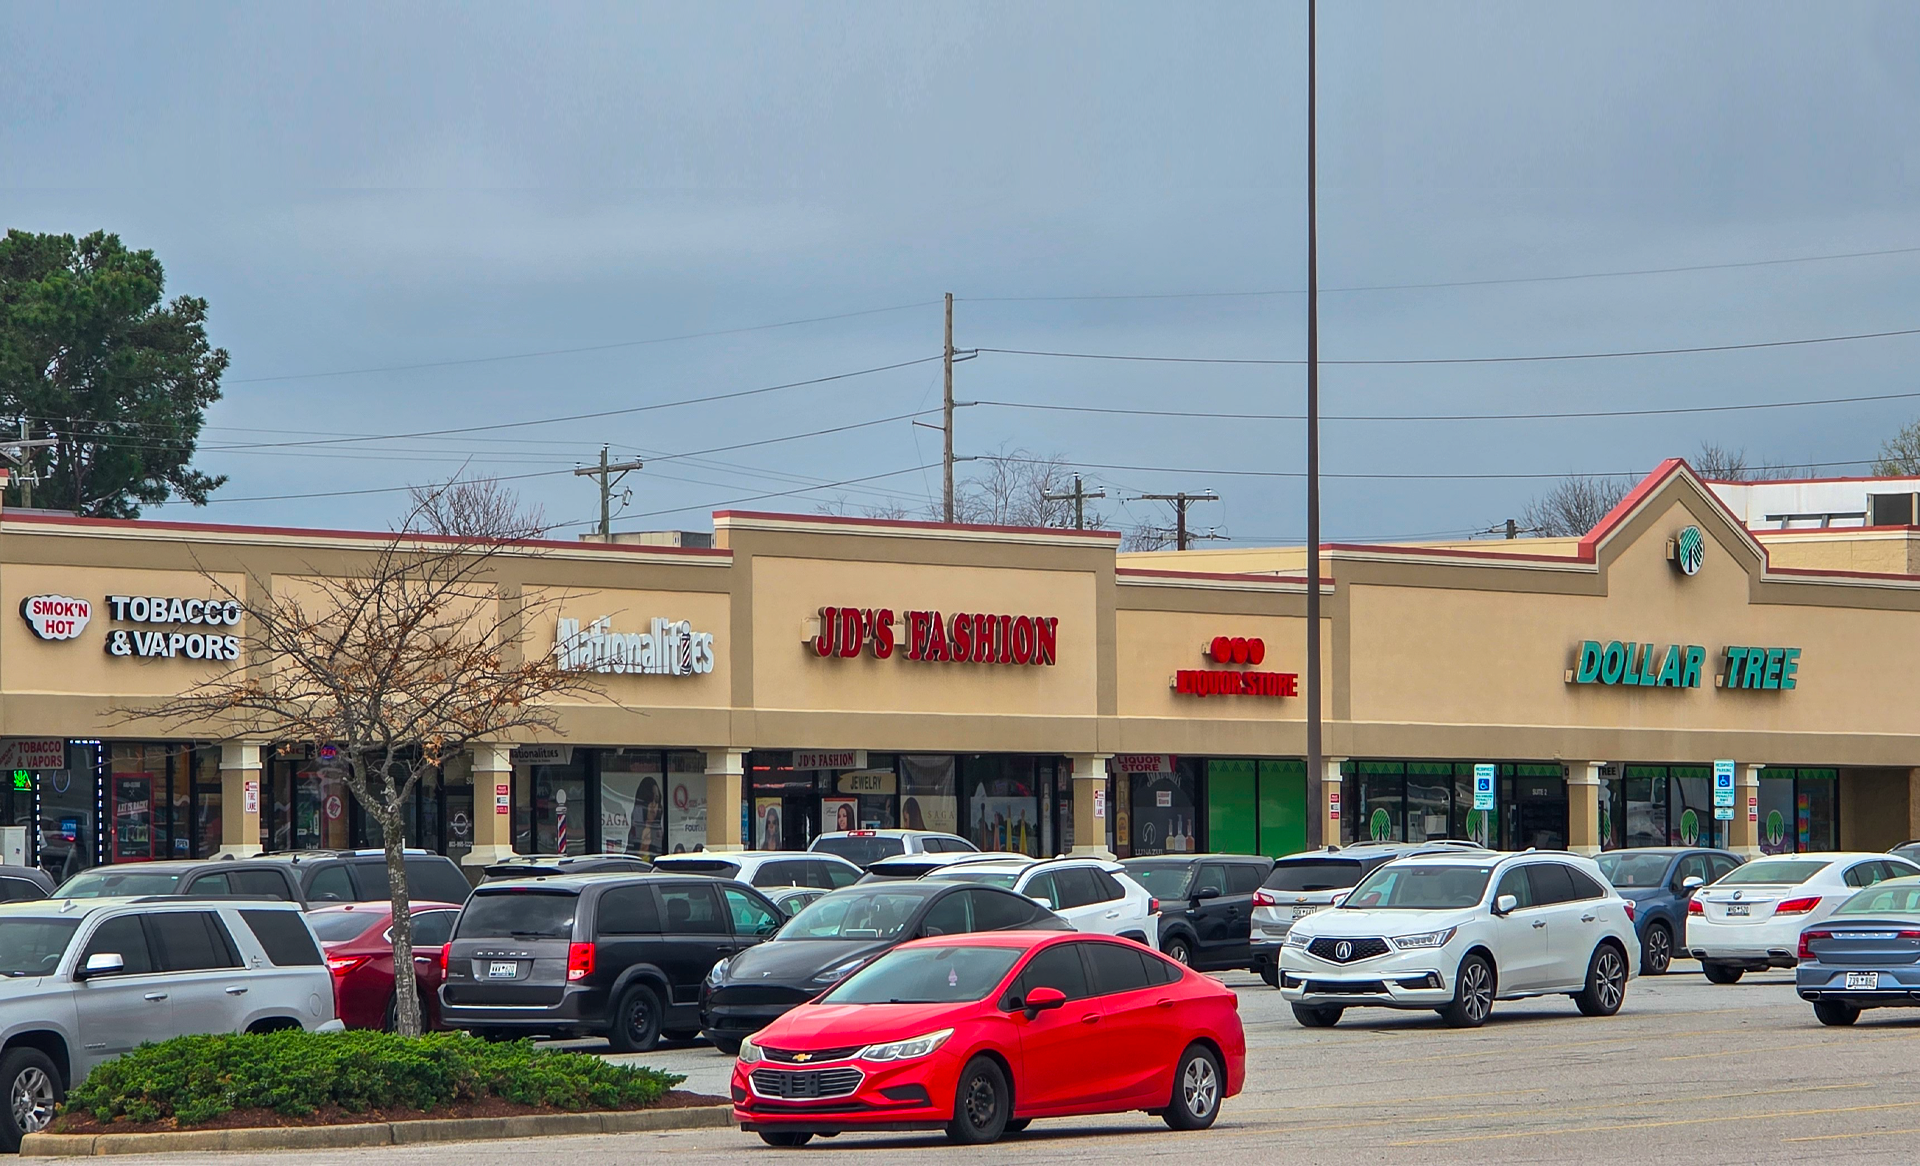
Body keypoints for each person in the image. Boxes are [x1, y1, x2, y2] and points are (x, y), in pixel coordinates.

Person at [625, 775, 663, 856]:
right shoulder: (635, 829)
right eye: (649, 800)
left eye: (656, 801)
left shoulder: (659, 832)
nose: (653, 805)